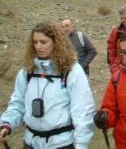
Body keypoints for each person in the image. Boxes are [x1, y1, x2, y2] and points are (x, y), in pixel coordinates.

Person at [0, 21, 95, 149]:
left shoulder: (72, 71)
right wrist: (6, 124)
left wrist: (81, 145)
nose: (38, 46)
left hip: (62, 144)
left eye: (43, 42)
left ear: (56, 42)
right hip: (31, 143)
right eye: (35, 42)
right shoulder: (27, 72)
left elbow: (83, 112)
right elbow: (17, 103)